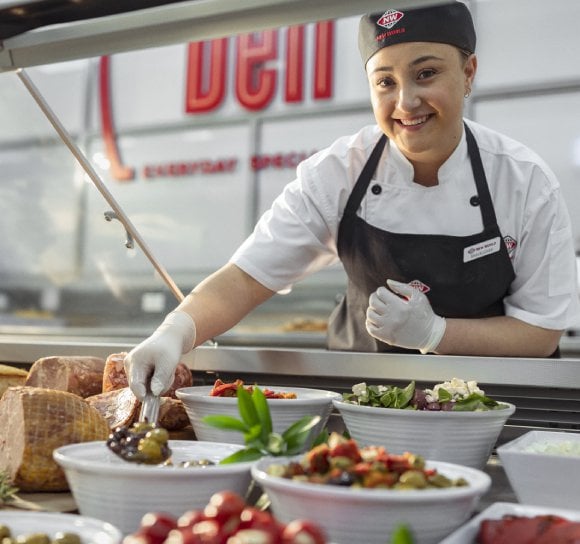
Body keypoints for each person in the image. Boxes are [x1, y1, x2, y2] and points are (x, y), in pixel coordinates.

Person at [124, 1, 580, 400]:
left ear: (468, 73)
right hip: (364, 405)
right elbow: (245, 279)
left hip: (492, 406)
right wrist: (174, 332)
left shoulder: (525, 182)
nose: (406, 102)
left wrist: (436, 333)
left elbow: (540, 332)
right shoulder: (338, 173)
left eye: (426, 74)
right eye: (385, 82)